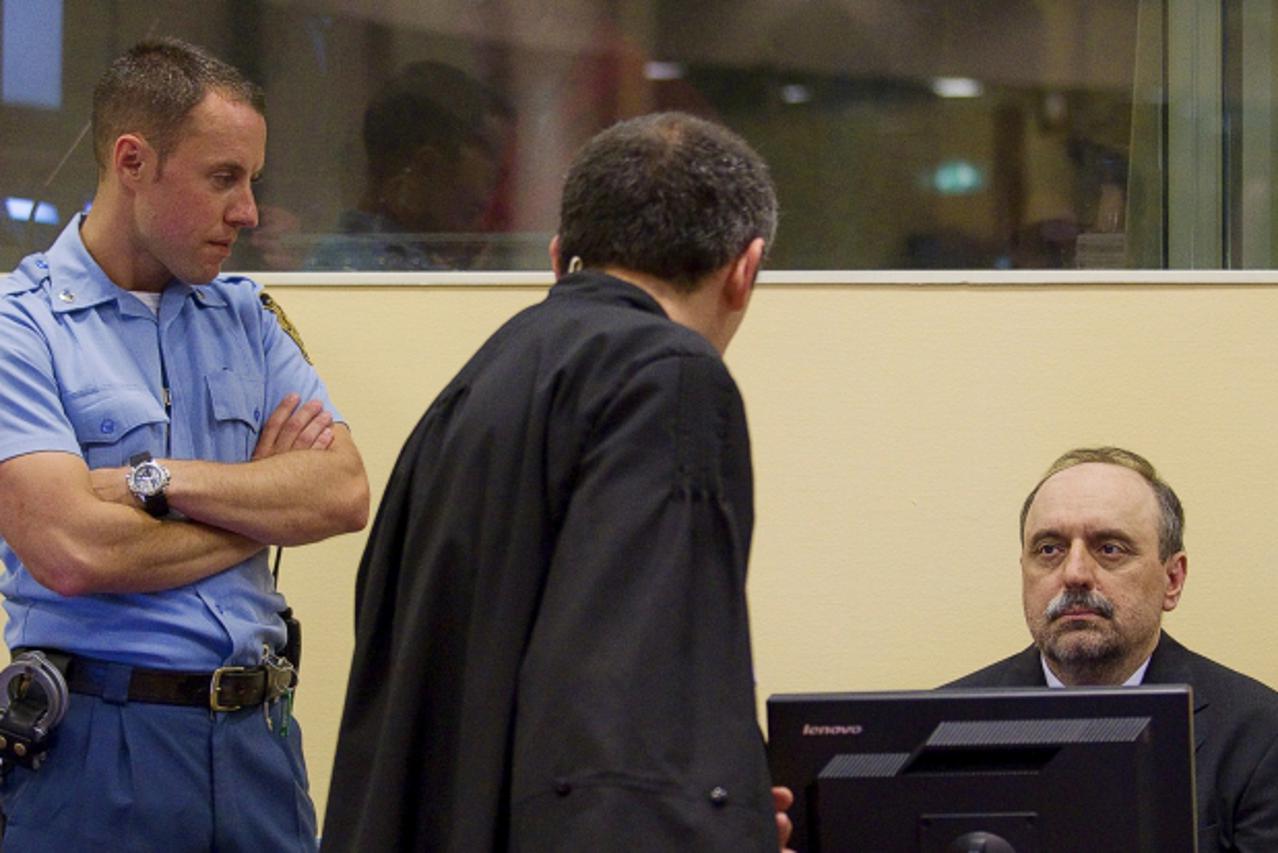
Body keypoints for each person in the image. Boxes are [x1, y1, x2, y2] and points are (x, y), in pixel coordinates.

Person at [322, 111, 784, 851]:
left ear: (560, 254)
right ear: (745, 268)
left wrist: (725, 800)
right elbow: (628, 725)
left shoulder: (476, 388)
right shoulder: (669, 380)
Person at [0, 38, 369, 850]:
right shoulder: (19, 329)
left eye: (253, 181)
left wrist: (146, 480)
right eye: (223, 177)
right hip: (101, 749)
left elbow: (342, 493)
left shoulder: (245, 316)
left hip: (258, 742)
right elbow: (70, 549)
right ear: (134, 161)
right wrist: (264, 503)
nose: (249, 212)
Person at [946, 447, 1278, 852]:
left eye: (1110, 548)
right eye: (1049, 549)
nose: (1074, 574)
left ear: (1172, 579)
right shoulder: (942, 726)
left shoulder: (1260, 736)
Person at [306, 60, 514, 272]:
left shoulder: (355, 258)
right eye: (468, 214)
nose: (478, 233)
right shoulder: (371, 272)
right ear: (425, 170)